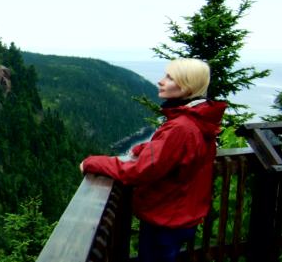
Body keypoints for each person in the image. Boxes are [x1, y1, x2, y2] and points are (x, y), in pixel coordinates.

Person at [80, 58, 226, 262]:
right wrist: (146, 148)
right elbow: (178, 154)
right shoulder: (198, 120)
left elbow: (140, 171)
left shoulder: (180, 127)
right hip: (183, 216)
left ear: (187, 85)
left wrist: (92, 163)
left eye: (169, 77)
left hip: (166, 220)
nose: (160, 81)